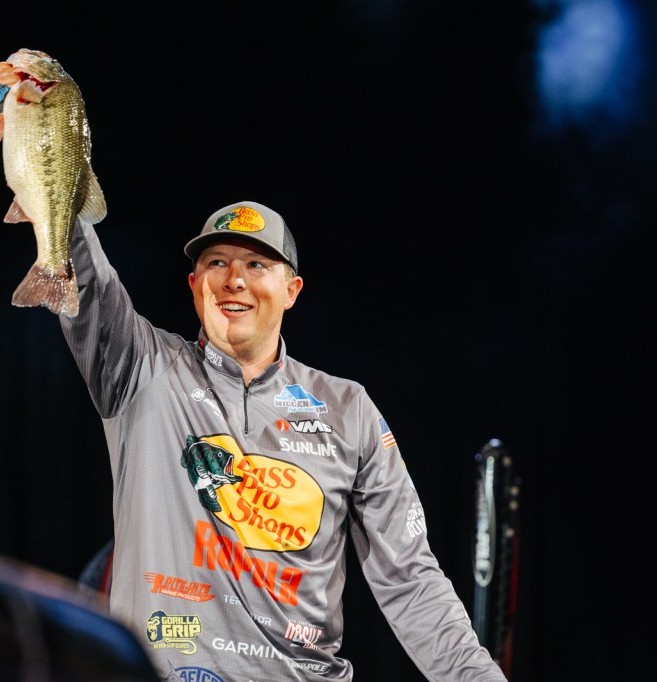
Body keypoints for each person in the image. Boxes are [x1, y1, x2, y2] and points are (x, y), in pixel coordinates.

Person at [60, 200, 508, 681]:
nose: (234, 280)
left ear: (291, 291)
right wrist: (53, 182)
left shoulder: (347, 409)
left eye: (256, 264)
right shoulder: (143, 370)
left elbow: (410, 579)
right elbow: (87, 276)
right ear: (194, 284)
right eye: (217, 262)